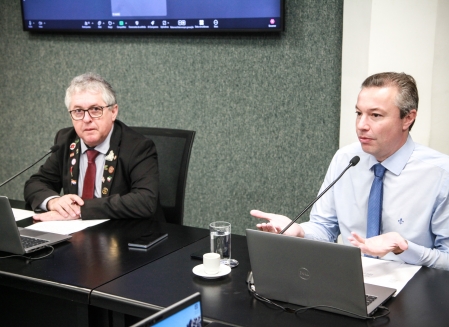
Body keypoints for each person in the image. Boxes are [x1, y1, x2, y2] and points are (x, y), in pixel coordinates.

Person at [251, 72, 449, 270]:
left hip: (413, 290)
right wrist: (300, 231)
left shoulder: (440, 173)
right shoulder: (346, 159)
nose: (361, 125)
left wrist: (404, 249)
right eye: (358, 113)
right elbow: (324, 228)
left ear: (407, 118)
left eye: (375, 115)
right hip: (350, 281)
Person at [24, 72, 164, 222]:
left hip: (126, 236)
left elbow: (145, 201)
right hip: (75, 234)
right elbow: (35, 184)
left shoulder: (138, 147)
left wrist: (81, 210)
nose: (86, 119)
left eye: (95, 109)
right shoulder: (66, 141)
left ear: (113, 111)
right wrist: (54, 202)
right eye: (78, 111)